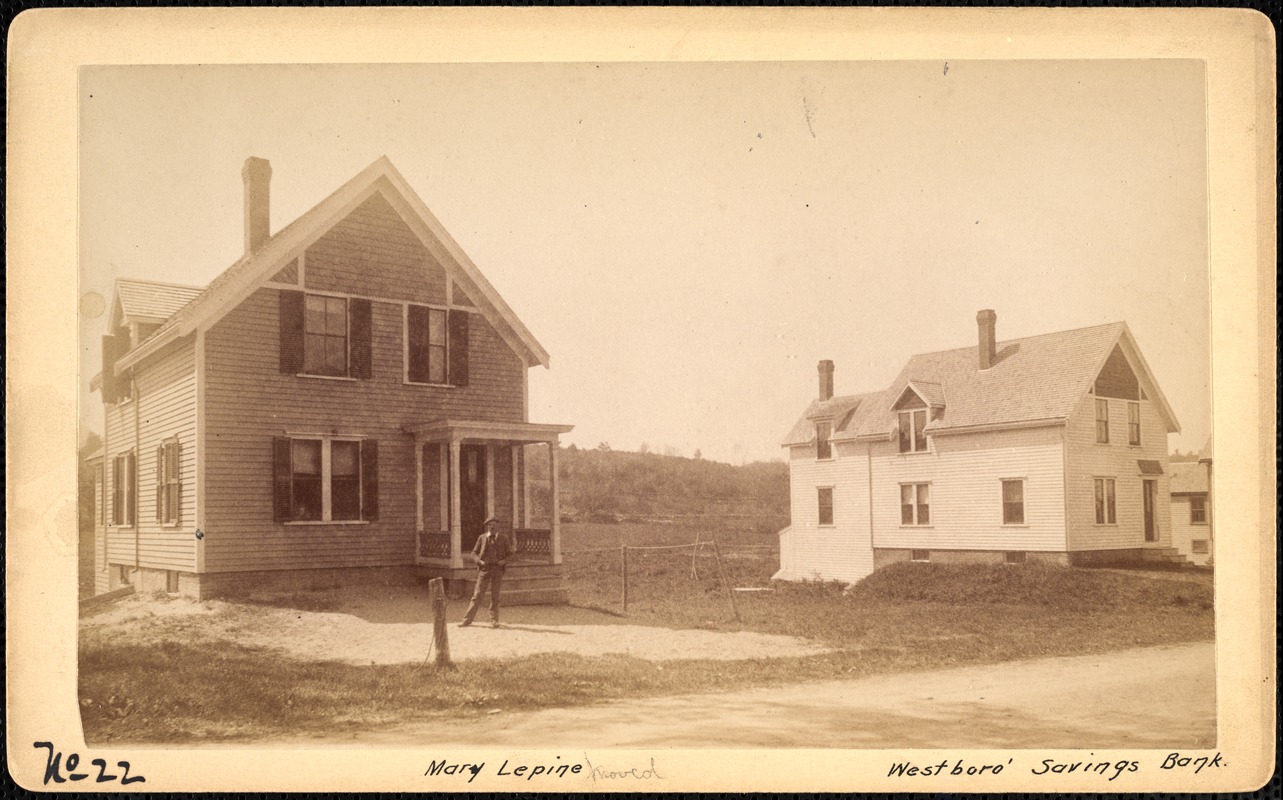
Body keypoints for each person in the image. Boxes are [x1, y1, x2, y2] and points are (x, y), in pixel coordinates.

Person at [459, 517, 512, 628]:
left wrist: (504, 561)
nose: (491, 527)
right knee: (477, 595)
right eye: (489, 525)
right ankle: (467, 620)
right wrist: (479, 561)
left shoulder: (504, 538)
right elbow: (474, 553)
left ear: (498, 526)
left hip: (497, 569)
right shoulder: (482, 538)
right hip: (485, 569)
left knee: (495, 596)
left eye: (493, 525)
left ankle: (494, 620)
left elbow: (510, 554)